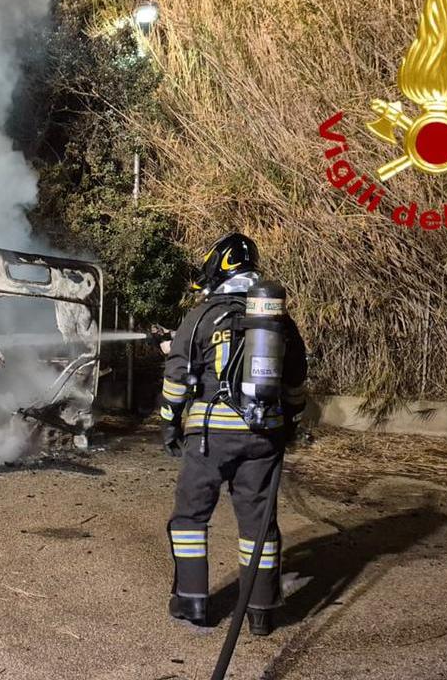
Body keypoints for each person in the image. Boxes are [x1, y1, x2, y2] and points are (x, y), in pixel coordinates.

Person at [159, 233, 307, 636]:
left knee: (190, 517)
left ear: (216, 270)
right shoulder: (279, 321)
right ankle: (260, 611)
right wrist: (289, 421)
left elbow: (178, 378)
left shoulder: (204, 315)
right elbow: (296, 382)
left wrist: (169, 421)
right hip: (265, 437)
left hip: (210, 438)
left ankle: (192, 603)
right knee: (259, 525)